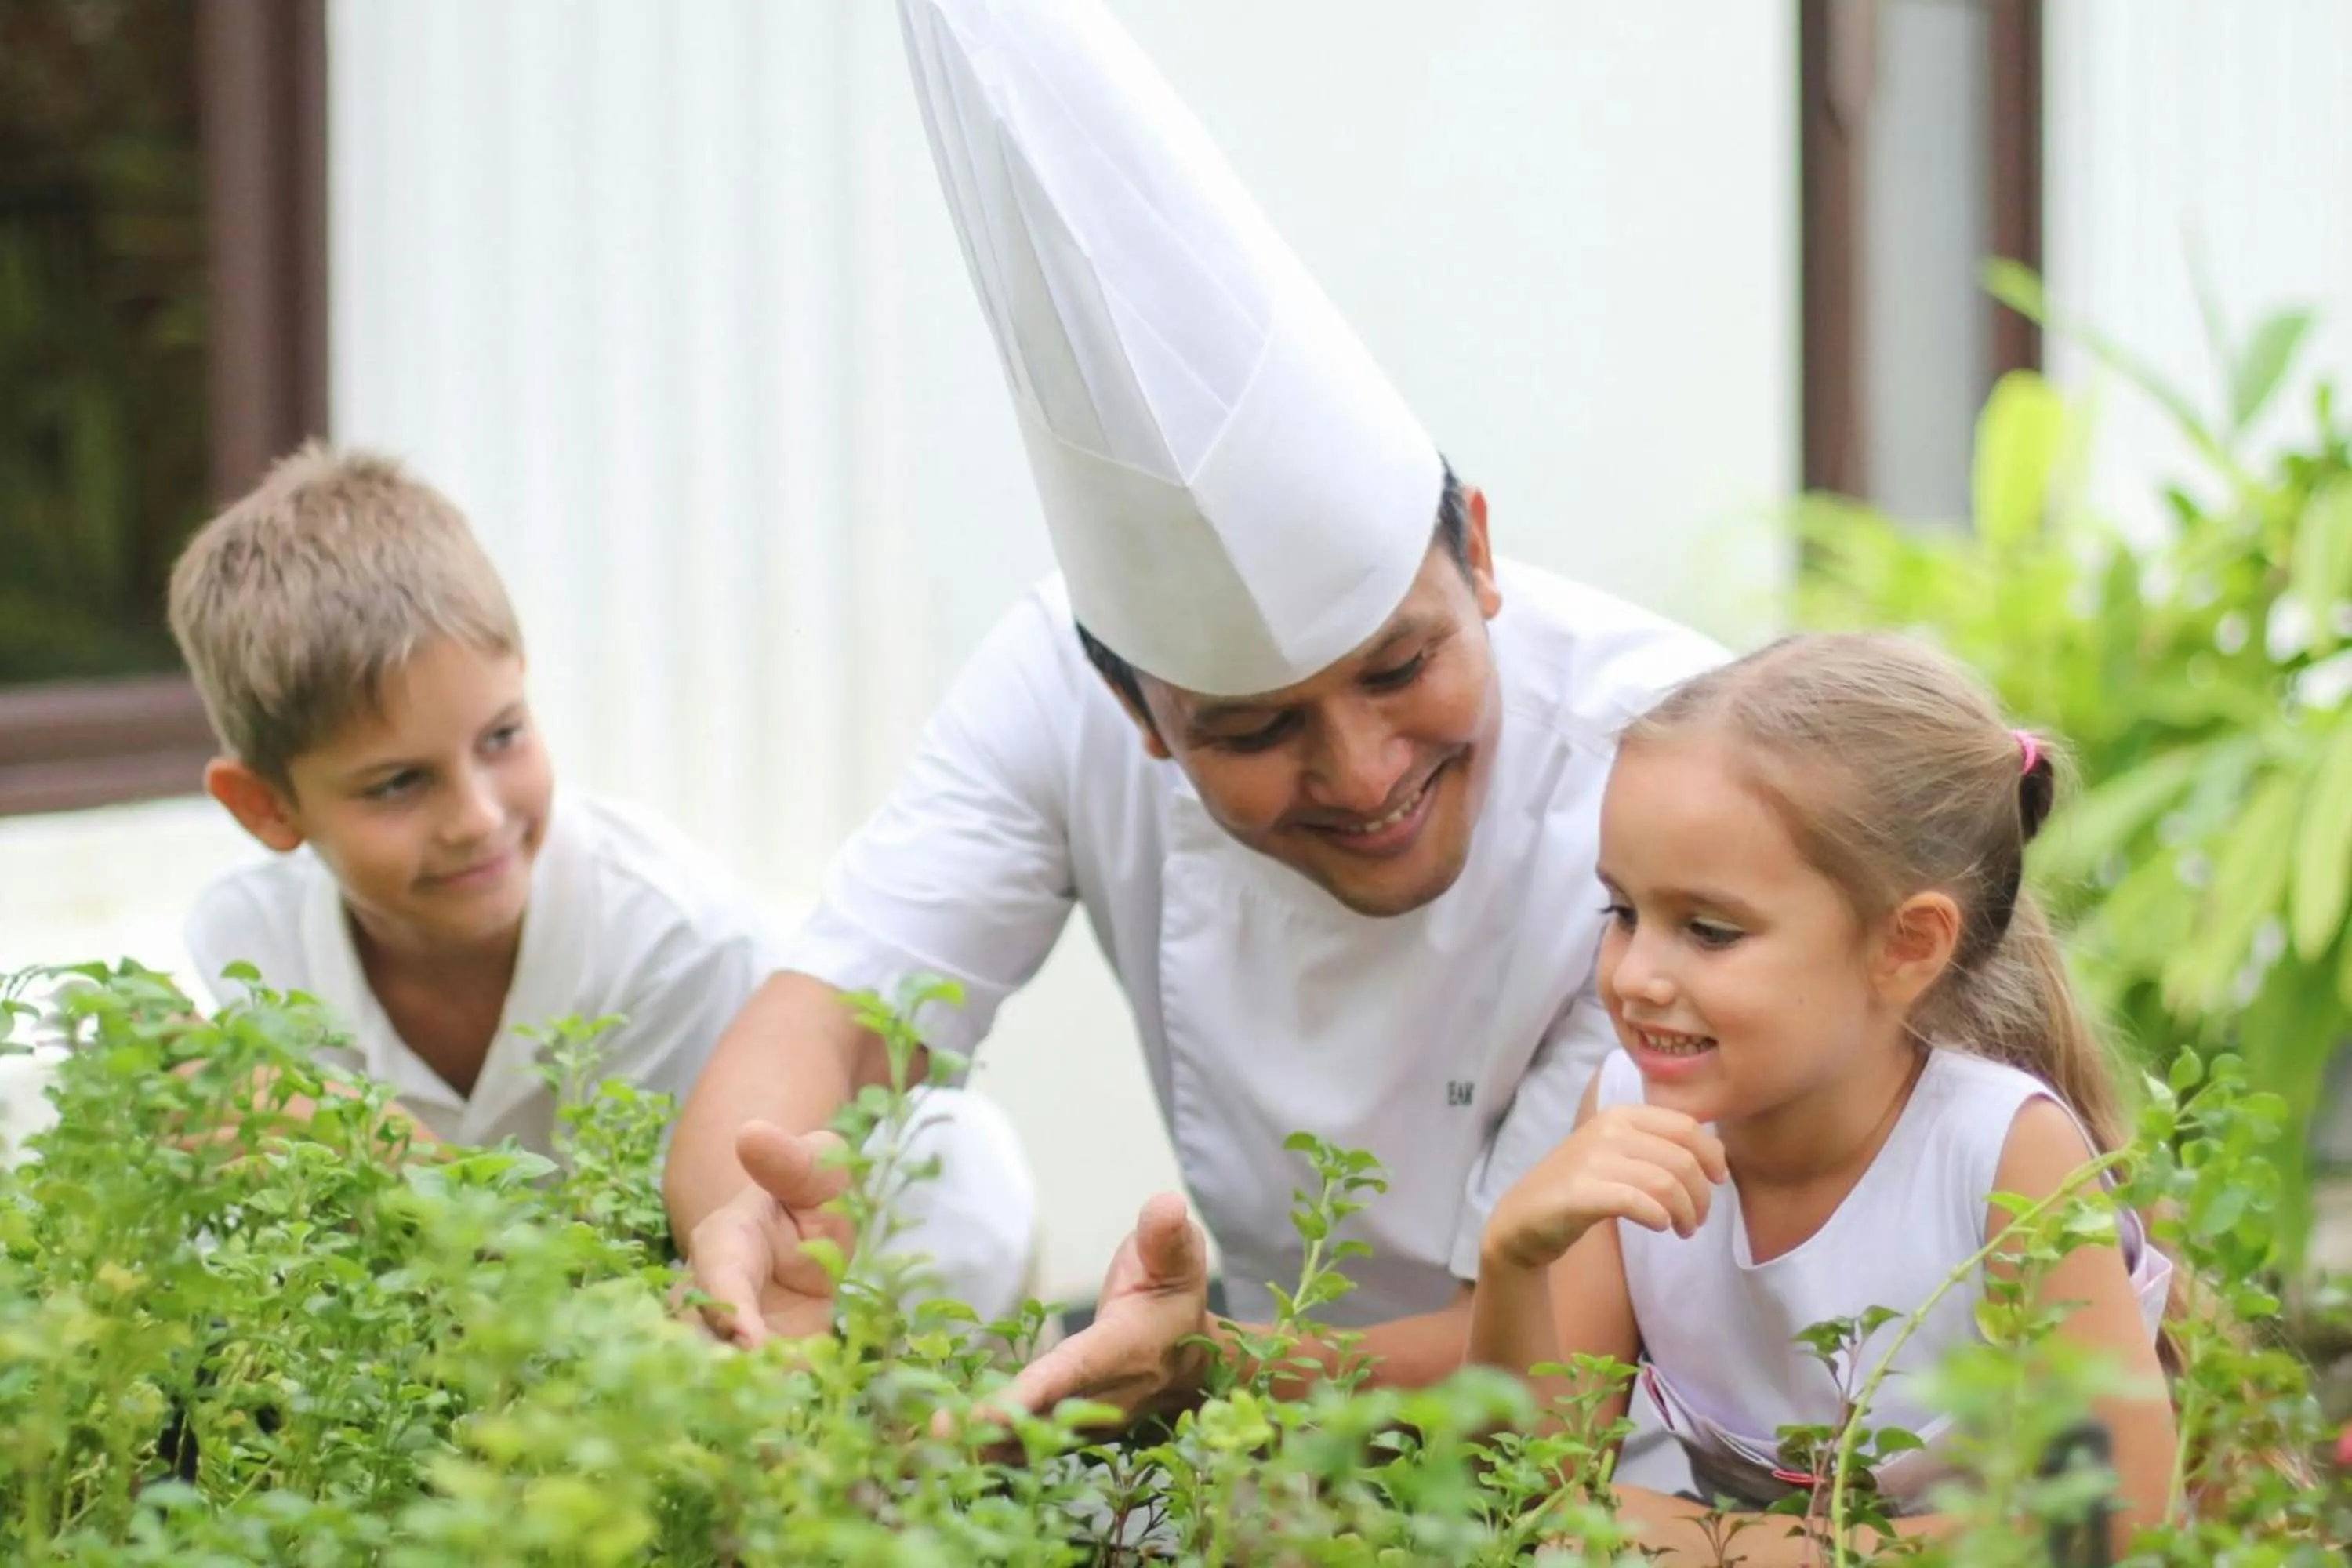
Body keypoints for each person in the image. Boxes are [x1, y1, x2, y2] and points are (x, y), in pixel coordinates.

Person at [666, 0, 1722, 1424]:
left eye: (1402, 667)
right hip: (1277, 1429)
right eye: (1253, 729)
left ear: (1478, 552)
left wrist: (1208, 1370)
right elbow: (840, 1017)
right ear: (1138, 712)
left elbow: (1571, 1361)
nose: (1360, 770)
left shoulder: (1680, 756)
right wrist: (742, 1214)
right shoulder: (1052, 679)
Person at [168, 442, 1037, 1321]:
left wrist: (381, 1154)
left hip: (856, 1291)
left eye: (502, 736)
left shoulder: (668, 943)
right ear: (267, 807)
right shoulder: (250, 944)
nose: (475, 814)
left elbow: (660, 1301)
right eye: (399, 782)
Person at [1469, 633, 2178, 1557]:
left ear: (1907, 945)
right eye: (1623, 912)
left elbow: (2110, 1529)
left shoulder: (2004, 1154)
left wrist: (1695, 1537)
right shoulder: (1625, 1115)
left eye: (1710, 930)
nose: (1637, 974)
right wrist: (1514, 1255)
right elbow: (1528, 1499)